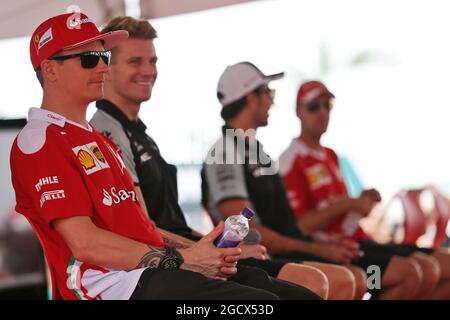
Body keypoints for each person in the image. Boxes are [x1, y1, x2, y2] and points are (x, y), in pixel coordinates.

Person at [9, 13, 320, 300]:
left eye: (103, 56)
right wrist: (186, 258)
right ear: (50, 69)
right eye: (90, 59)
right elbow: (85, 243)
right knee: (260, 304)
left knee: (300, 296)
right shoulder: (40, 140)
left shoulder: (98, 140)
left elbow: (143, 227)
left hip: (150, 274)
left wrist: (203, 252)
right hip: (109, 288)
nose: (103, 66)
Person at [201, 62, 425, 300]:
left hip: (312, 248)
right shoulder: (228, 151)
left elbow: (288, 225)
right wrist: (319, 243)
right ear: (250, 99)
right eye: (269, 92)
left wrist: (330, 237)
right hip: (269, 258)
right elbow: (244, 228)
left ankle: (372, 282)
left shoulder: (258, 151)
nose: (272, 101)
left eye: (328, 105)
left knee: (414, 272)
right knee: (367, 279)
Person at [279, 80, 450, 299]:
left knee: (438, 269)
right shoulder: (290, 161)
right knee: (412, 274)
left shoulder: (330, 155)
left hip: (359, 244)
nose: (322, 112)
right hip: (335, 254)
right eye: (314, 106)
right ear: (298, 111)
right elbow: (300, 226)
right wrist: (348, 204)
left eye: (327, 105)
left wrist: (362, 203)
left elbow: (338, 213)